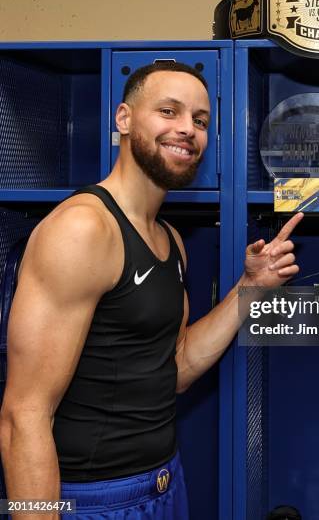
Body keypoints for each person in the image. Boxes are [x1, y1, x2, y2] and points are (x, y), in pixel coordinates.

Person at [0, 61, 303, 519]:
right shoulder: (83, 228)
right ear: (123, 119)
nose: (187, 130)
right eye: (168, 111)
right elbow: (23, 415)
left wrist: (250, 287)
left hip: (164, 484)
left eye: (200, 121)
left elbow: (175, 367)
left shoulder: (169, 239)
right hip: (89, 501)